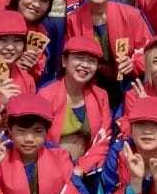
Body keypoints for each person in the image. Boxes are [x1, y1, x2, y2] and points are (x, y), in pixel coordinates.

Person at [65, 0, 153, 108]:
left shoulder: (131, 14)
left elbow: (150, 50)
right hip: (91, 82)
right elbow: (69, 55)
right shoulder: (74, 19)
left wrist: (134, 63)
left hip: (128, 82)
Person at [37, 35, 112, 174]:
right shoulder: (45, 95)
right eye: (79, 58)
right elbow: (37, 138)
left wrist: (81, 168)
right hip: (49, 167)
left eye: (91, 61)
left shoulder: (101, 96)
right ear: (64, 61)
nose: (85, 65)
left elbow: (103, 139)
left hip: (88, 170)